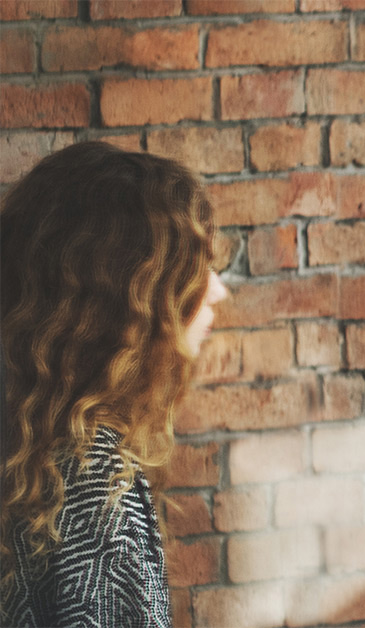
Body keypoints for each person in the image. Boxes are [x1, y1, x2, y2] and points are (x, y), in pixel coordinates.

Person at [1, 142, 228, 627]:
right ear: (125, 303)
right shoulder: (95, 489)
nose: (217, 288)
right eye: (189, 270)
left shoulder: (28, 448)